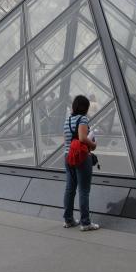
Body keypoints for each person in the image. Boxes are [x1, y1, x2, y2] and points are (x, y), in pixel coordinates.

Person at [62, 95, 100, 231]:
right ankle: (85, 222)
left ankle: (68, 219)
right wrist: (93, 144)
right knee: (84, 190)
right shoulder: (82, 118)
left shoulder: (67, 120)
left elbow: (65, 140)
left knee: (70, 189)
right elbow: (83, 138)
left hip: (68, 156)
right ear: (85, 107)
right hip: (81, 157)